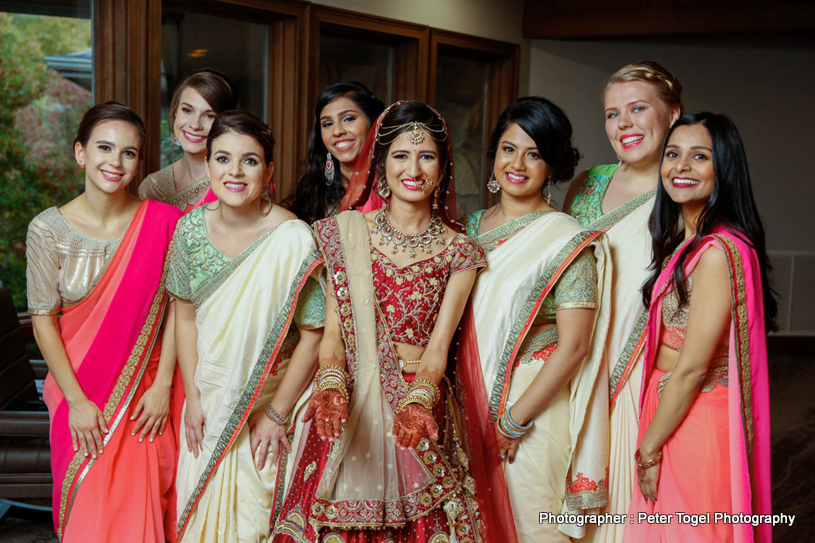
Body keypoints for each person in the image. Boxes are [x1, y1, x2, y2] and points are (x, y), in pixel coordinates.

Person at [272, 101, 485, 543]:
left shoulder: (459, 250)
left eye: (426, 156)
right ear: (381, 164)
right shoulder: (345, 231)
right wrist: (331, 386)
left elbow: (440, 346)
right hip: (346, 404)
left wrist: (419, 399)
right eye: (401, 156)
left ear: (443, 168)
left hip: (417, 408)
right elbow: (331, 334)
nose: (414, 168)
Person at [27, 102, 183, 542]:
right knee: (88, 515)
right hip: (78, 392)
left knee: (140, 511)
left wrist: (162, 385)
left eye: (129, 153)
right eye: (104, 148)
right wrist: (77, 402)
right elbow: (43, 320)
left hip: (142, 397)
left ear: (138, 162)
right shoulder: (47, 229)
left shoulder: (163, 222)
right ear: (80, 153)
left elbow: (176, 310)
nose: (115, 162)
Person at [458, 97, 611, 542]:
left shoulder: (567, 240)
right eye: (508, 149)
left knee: (530, 524)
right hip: (465, 398)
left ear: (552, 165)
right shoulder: (466, 229)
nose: (518, 163)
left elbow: (575, 345)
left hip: (530, 407)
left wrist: (513, 420)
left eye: (534, 153)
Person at [169, 111, 325, 542]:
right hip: (212, 399)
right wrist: (195, 396)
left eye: (249, 161)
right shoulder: (188, 232)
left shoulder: (293, 238)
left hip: (273, 401)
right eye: (222, 158)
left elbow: (314, 334)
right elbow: (184, 316)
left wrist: (277, 415)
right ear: (208, 163)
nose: (234, 172)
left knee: (256, 519)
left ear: (269, 170)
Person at [626, 113, 774, 542]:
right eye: (673, 154)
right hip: (671, 408)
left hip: (695, 417)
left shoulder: (717, 252)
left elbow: (692, 367)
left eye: (699, 156)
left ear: (723, 168)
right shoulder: (686, 242)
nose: (681, 166)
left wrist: (648, 450)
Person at [562, 61, 683, 542]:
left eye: (638, 109)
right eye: (613, 114)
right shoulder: (586, 183)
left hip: (639, 378)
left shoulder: (685, 192)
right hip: (569, 371)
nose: (624, 124)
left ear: (673, 114)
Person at [285, 81, 385, 223]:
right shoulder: (313, 189)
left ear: (373, 122)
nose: (337, 131)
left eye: (348, 119)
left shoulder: (393, 184)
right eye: (328, 124)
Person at [139, 68, 236, 211]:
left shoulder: (238, 178)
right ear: (175, 112)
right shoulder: (154, 186)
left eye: (210, 116)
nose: (195, 125)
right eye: (187, 110)